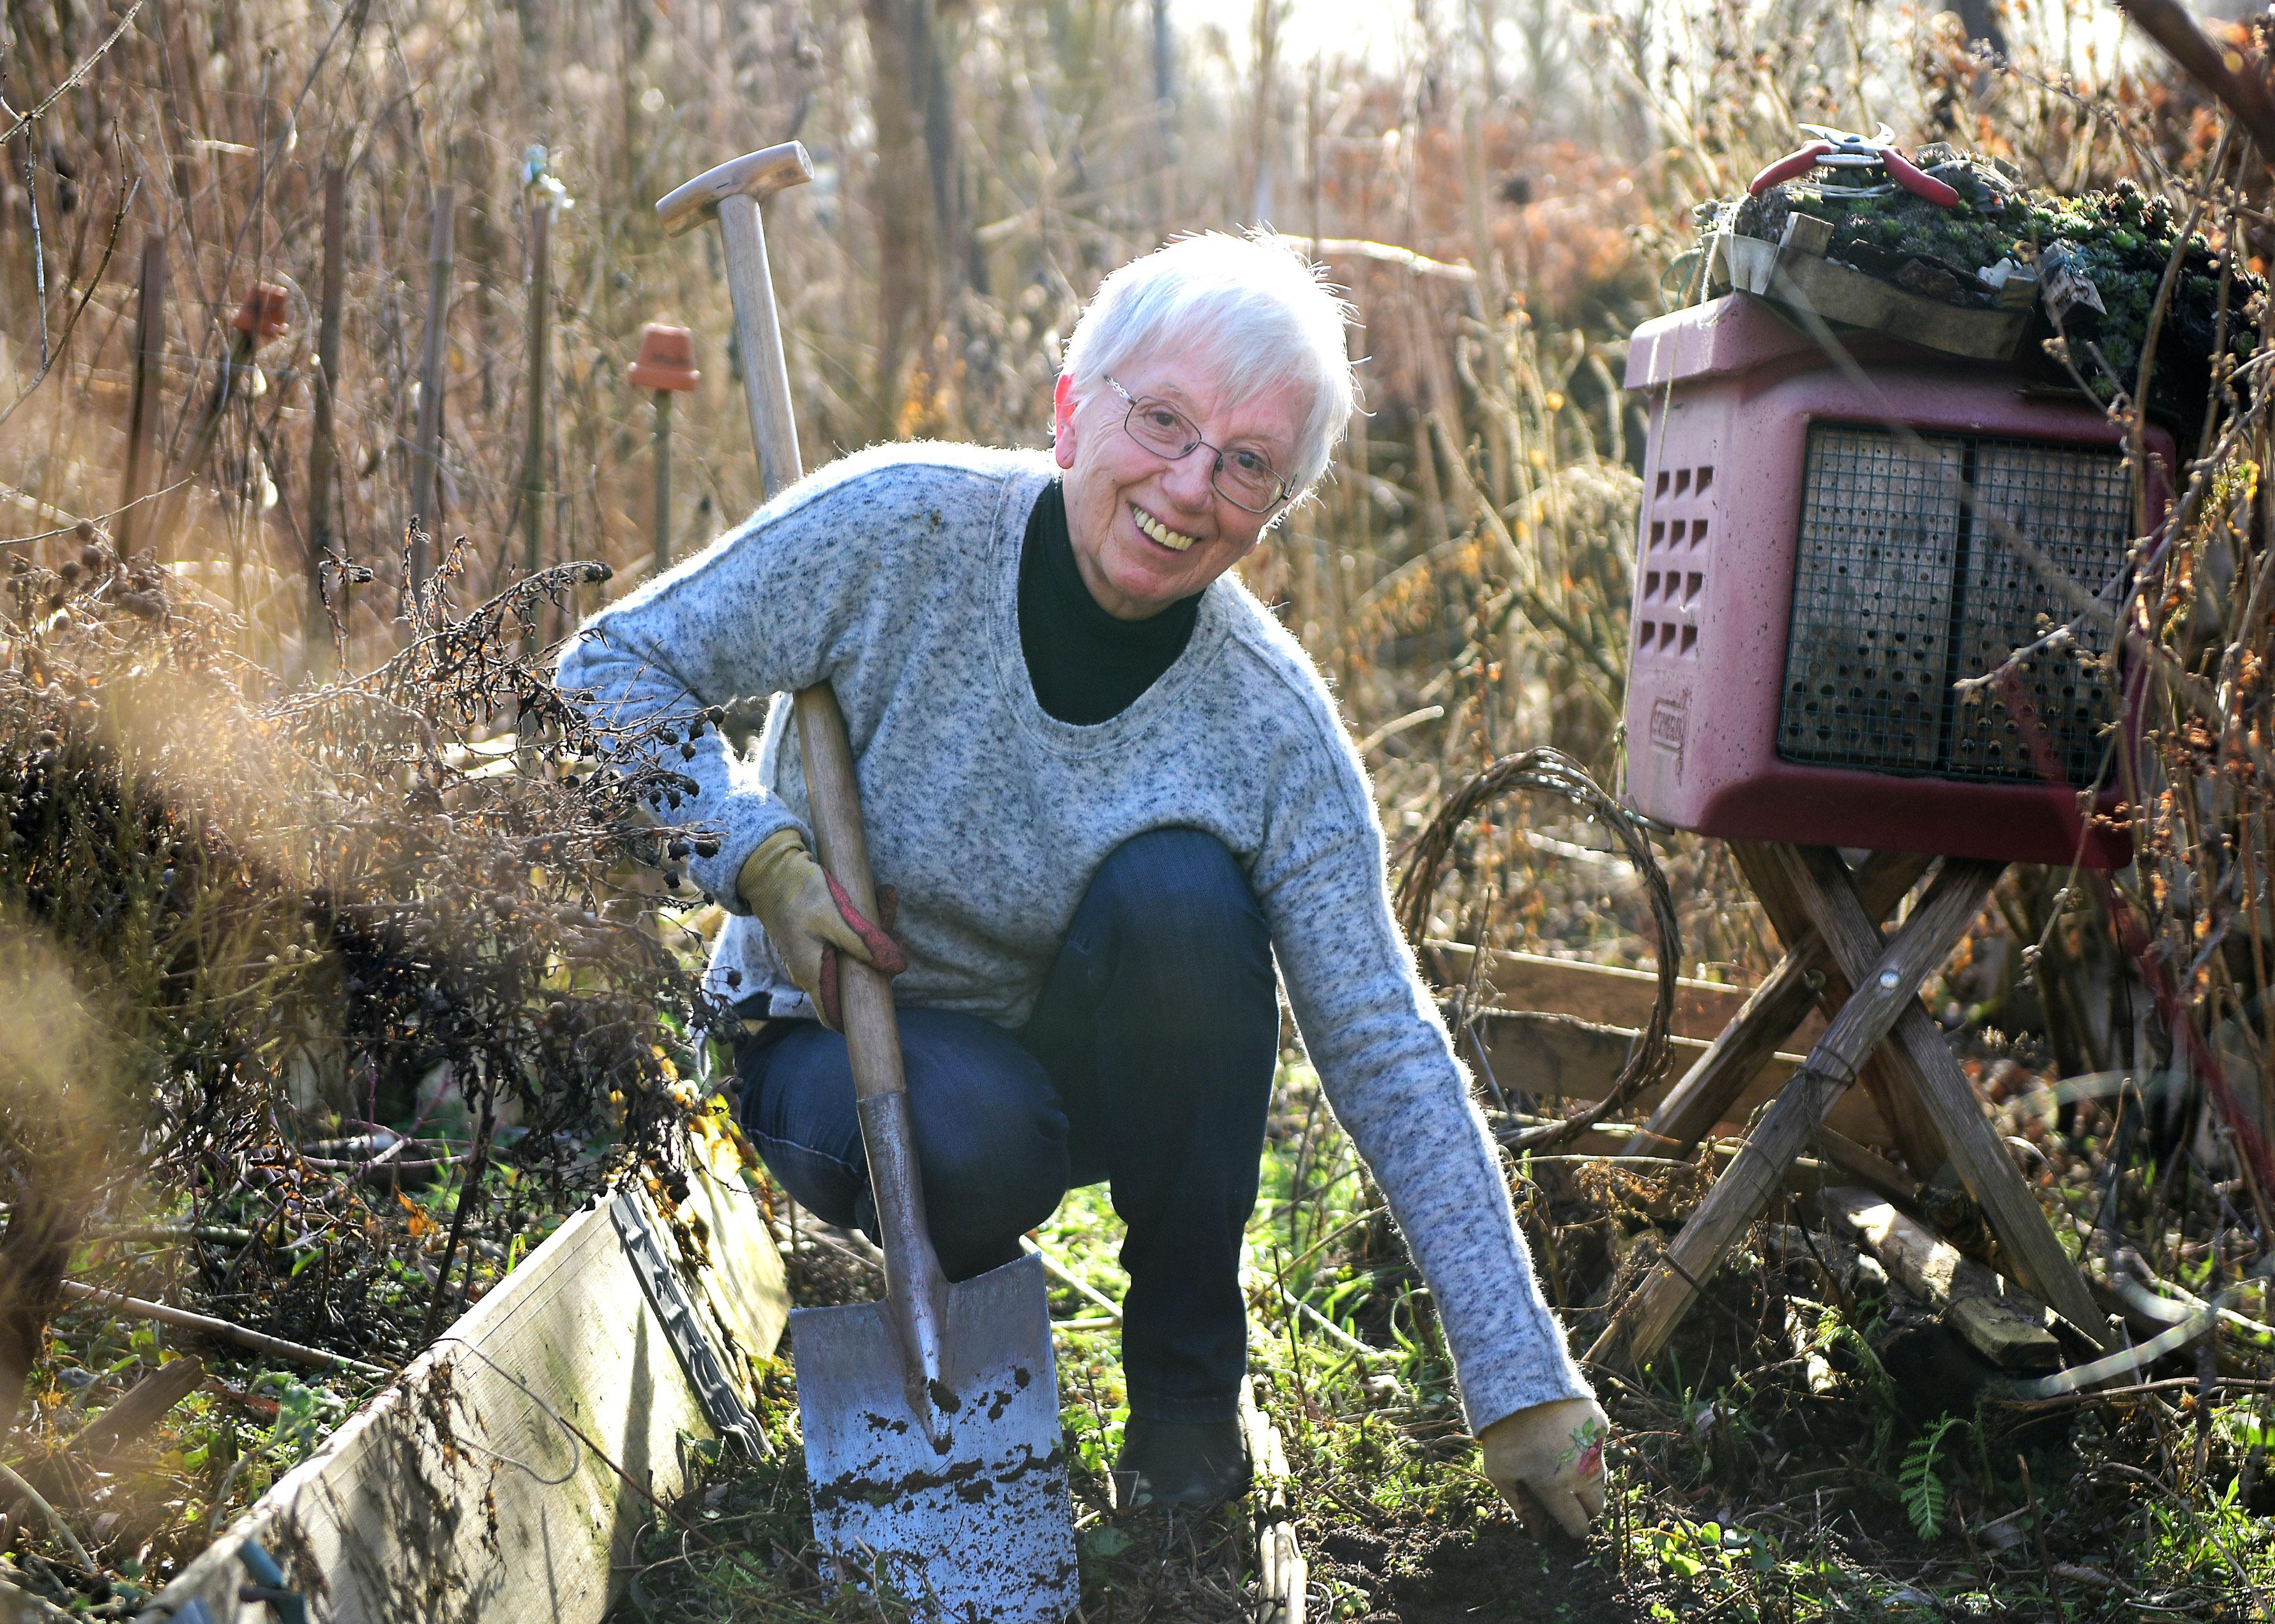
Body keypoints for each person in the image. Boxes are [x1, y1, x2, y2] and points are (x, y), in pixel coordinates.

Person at [557, 231, 1608, 1535]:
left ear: (1278, 508)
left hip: (1077, 1060)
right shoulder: (899, 531)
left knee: (1188, 900)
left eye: (1246, 463)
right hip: (824, 1041)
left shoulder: (1267, 724)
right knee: (977, 1134)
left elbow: (1384, 1041)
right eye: (1161, 420)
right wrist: (761, 860)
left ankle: (1182, 1420)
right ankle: (972, 1377)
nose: (1188, 483)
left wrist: (1520, 1379)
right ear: (1071, 408)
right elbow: (607, 674)